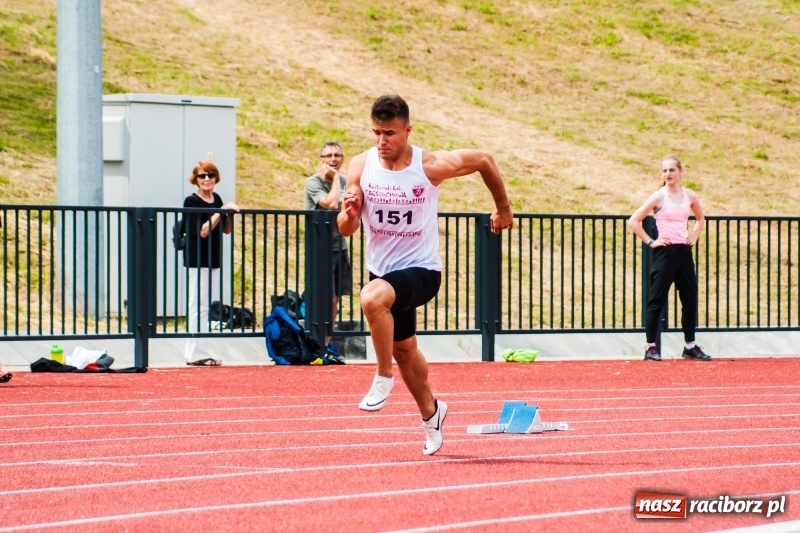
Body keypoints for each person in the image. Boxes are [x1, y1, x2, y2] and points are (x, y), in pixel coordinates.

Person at [337, 94, 514, 455]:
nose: (381, 141)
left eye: (389, 133)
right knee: (405, 350)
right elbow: (345, 229)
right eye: (375, 133)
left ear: (407, 130)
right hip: (383, 270)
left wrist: (503, 208)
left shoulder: (428, 166)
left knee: (371, 299)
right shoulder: (360, 166)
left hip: (421, 271)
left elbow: (483, 159)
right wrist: (350, 213)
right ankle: (432, 415)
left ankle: (382, 377)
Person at [628, 155, 711, 362]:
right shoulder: (659, 196)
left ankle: (690, 346)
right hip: (664, 253)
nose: (668, 174)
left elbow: (700, 219)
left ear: (680, 171)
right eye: (664, 171)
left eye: (672, 170)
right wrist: (651, 242)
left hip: (683, 252)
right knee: (656, 300)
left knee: (689, 300)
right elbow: (634, 221)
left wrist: (693, 237)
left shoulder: (689, 195)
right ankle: (650, 347)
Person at [183, 160, 240, 366]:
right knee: (197, 304)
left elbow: (225, 230)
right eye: (202, 176)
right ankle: (194, 352)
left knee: (205, 304)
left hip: (213, 257)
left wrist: (228, 214)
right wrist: (221, 210)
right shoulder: (191, 201)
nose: (207, 179)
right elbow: (203, 231)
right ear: (196, 180)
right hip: (197, 258)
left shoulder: (216, 198)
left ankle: (201, 351)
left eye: (211, 175)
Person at [304, 142, 353, 358]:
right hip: (320, 247)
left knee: (336, 298)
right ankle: (318, 343)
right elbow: (331, 204)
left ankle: (328, 341)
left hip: (339, 245)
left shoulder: (346, 181)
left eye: (337, 155)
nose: (333, 159)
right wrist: (334, 180)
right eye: (328, 155)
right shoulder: (313, 182)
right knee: (325, 297)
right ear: (320, 158)